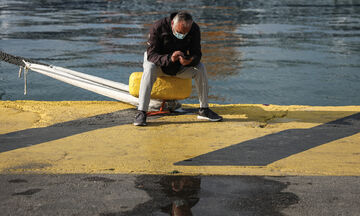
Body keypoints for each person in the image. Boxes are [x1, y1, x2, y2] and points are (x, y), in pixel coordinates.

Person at [134, 11, 223, 126]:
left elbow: (197, 54)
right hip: (159, 65)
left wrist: (190, 60)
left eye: (186, 33)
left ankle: (204, 109)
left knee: (200, 68)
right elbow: (151, 55)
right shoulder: (158, 27)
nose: (182, 35)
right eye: (179, 32)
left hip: (179, 67)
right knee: (149, 67)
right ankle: (141, 112)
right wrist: (170, 58)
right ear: (172, 23)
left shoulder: (194, 29)